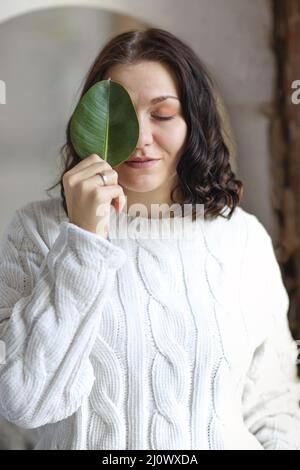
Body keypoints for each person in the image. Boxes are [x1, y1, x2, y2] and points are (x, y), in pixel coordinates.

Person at [0, 27, 300, 451]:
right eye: (122, 118)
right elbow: (25, 401)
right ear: (94, 123)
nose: (140, 139)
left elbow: (274, 405)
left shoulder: (242, 239)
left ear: (194, 122)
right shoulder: (36, 232)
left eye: (162, 115)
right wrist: (84, 239)